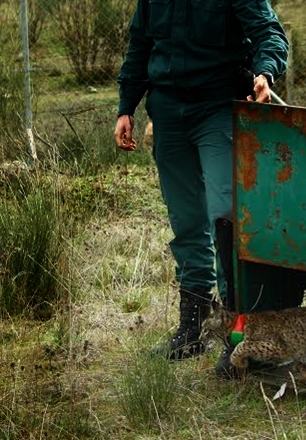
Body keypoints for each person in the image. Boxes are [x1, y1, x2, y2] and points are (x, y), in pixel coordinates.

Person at [113, 0, 289, 363]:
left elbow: (268, 32)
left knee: (227, 219)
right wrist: (126, 107)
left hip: (218, 109)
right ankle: (191, 329)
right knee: (186, 221)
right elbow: (140, 46)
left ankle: (240, 337)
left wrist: (265, 72)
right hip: (168, 112)